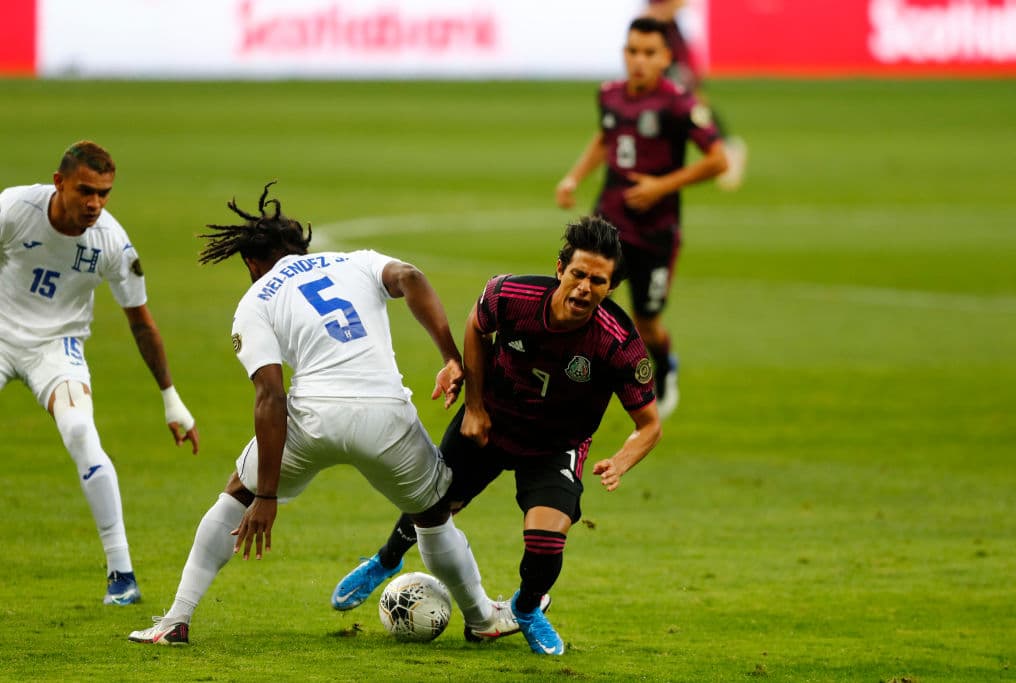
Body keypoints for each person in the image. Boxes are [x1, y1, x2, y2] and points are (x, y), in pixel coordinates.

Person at [128, 182, 522, 646]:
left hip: (314, 417)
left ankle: (177, 619)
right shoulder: (355, 261)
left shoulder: (255, 301)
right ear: (302, 248)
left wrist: (267, 496)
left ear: (253, 263)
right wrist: (451, 357)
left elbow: (270, 398)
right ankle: (481, 618)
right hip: (386, 417)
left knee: (237, 492)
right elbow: (411, 277)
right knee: (432, 514)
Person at [332, 216, 662, 655]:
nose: (584, 287)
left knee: (546, 540)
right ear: (560, 268)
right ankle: (384, 561)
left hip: (555, 444)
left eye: (597, 281)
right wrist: (473, 404)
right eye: (578, 274)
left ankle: (526, 609)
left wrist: (621, 461)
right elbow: (474, 327)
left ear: (609, 287)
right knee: (431, 504)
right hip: (490, 420)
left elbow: (649, 424)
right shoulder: (510, 294)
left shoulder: (617, 343)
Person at [0, 140, 199, 606]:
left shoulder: (111, 241)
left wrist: (171, 397)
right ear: (59, 182)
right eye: (86, 191)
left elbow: (141, 322)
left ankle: (122, 575)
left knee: (81, 434)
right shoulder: (13, 208)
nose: (95, 203)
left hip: (58, 346)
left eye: (104, 193)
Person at [555, 17, 728, 419]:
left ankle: (665, 367)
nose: (639, 61)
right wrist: (574, 177)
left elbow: (719, 160)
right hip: (608, 226)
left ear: (666, 57)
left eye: (649, 53)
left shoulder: (679, 104)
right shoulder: (610, 95)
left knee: (647, 324)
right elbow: (606, 136)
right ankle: (574, 378)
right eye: (633, 51)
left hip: (655, 232)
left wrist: (661, 186)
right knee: (579, 296)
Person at [645, 0, 748, 191]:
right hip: (659, 45)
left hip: (672, 47)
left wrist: (658, 14)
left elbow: (678, 4)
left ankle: (726, 147)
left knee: (693, 102)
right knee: (658, 102)